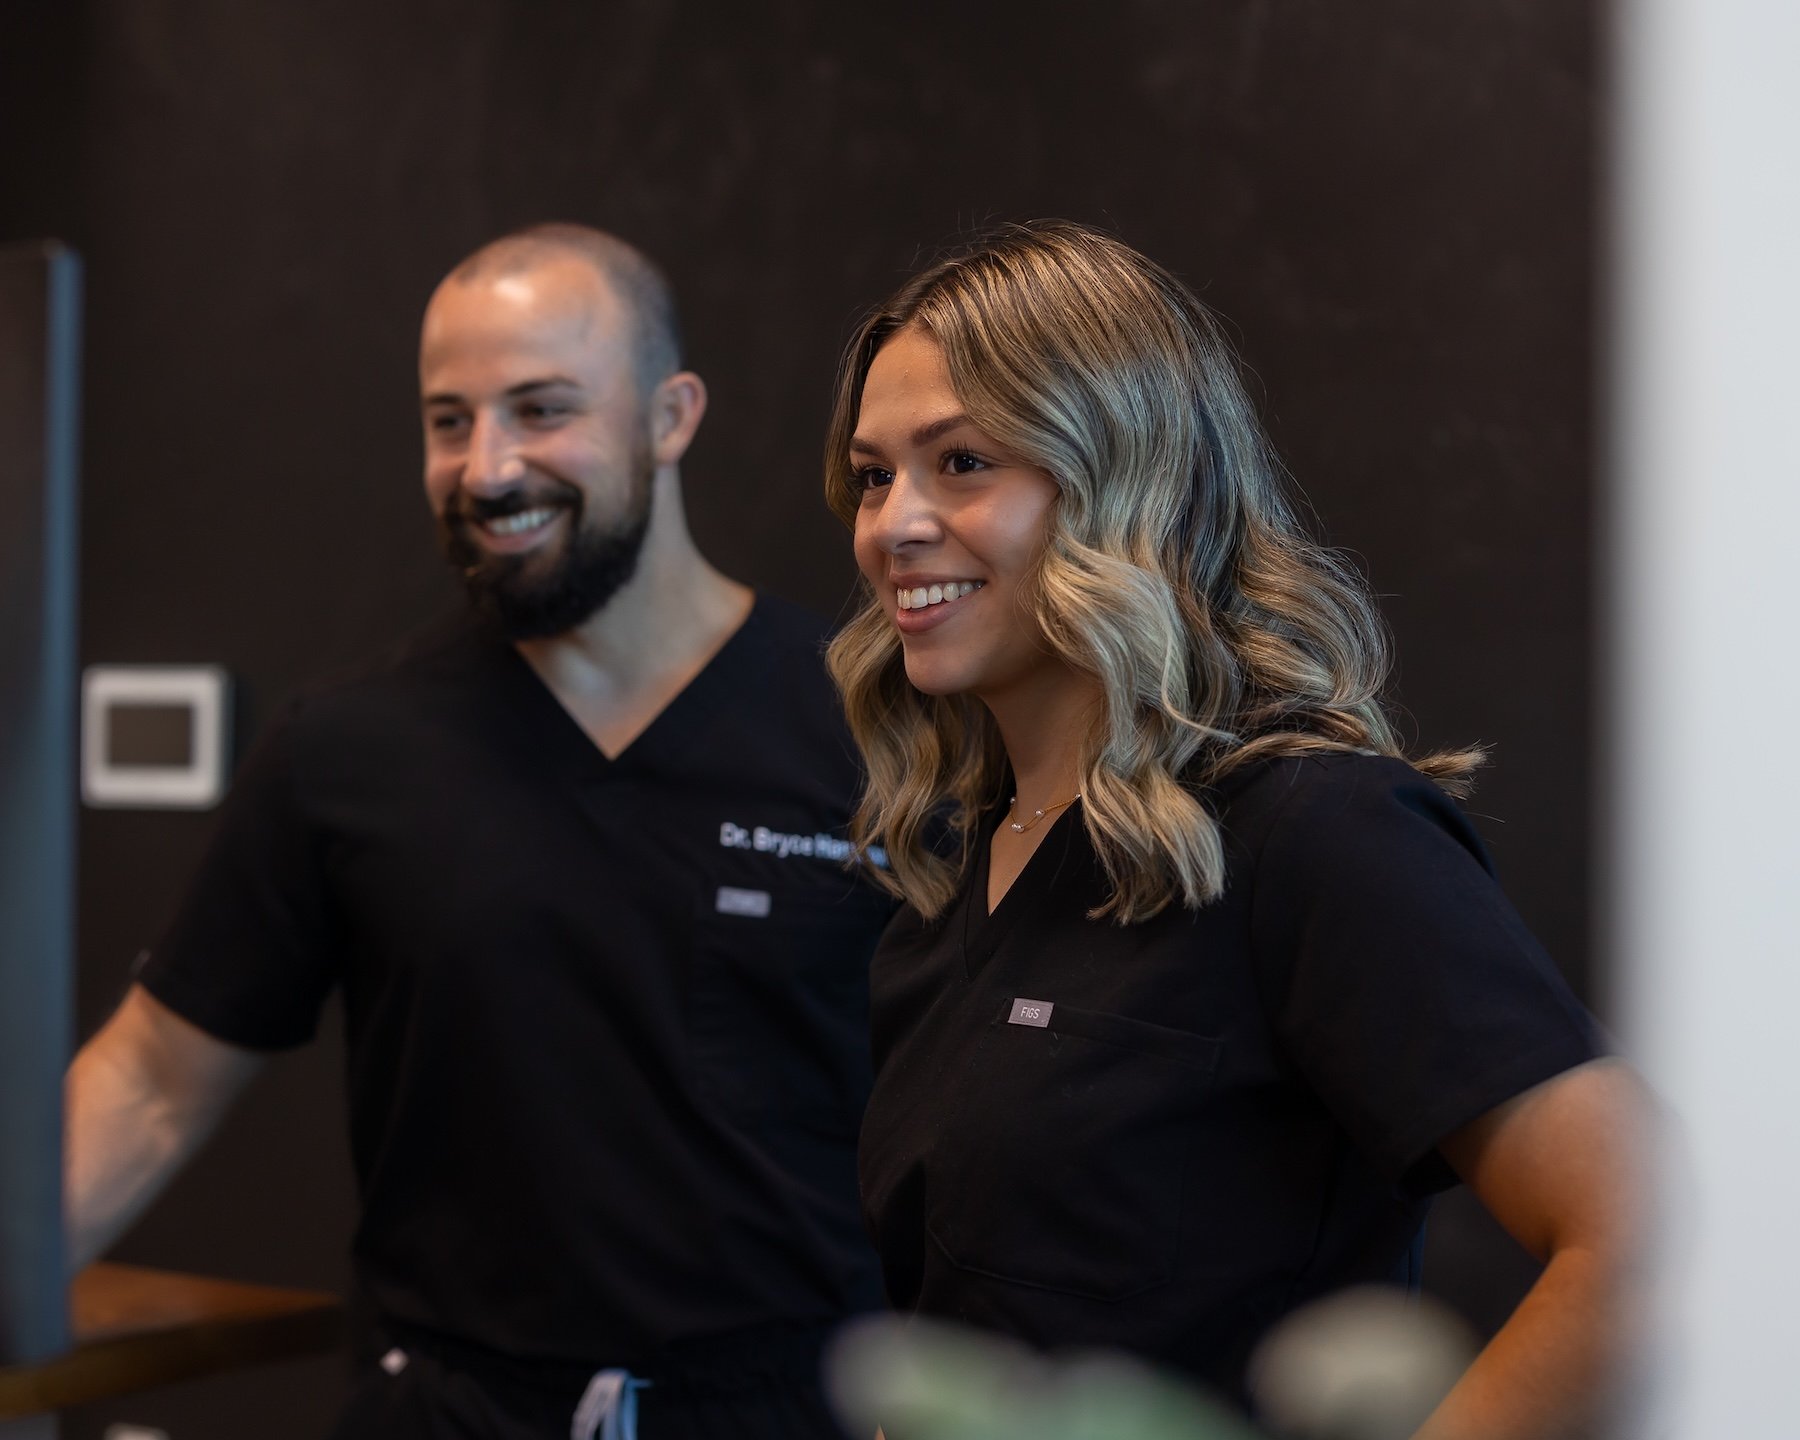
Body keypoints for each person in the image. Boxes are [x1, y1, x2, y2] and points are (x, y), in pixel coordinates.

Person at [65, 223, 891, 1440]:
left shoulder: (875, 726)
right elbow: (147, 1082)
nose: (487, 467)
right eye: (449, 421)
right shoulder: (346, 751)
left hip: (789, 1411)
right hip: (448, 1412)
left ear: (670, 417)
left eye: (540, 409)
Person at [824, 221, 1649, 1439]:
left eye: (961, 463)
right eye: (875, 473)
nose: (893, 522)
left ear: (1120, 478)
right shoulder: (956, 866)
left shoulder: (1315, 833)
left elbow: (1645, 1237)